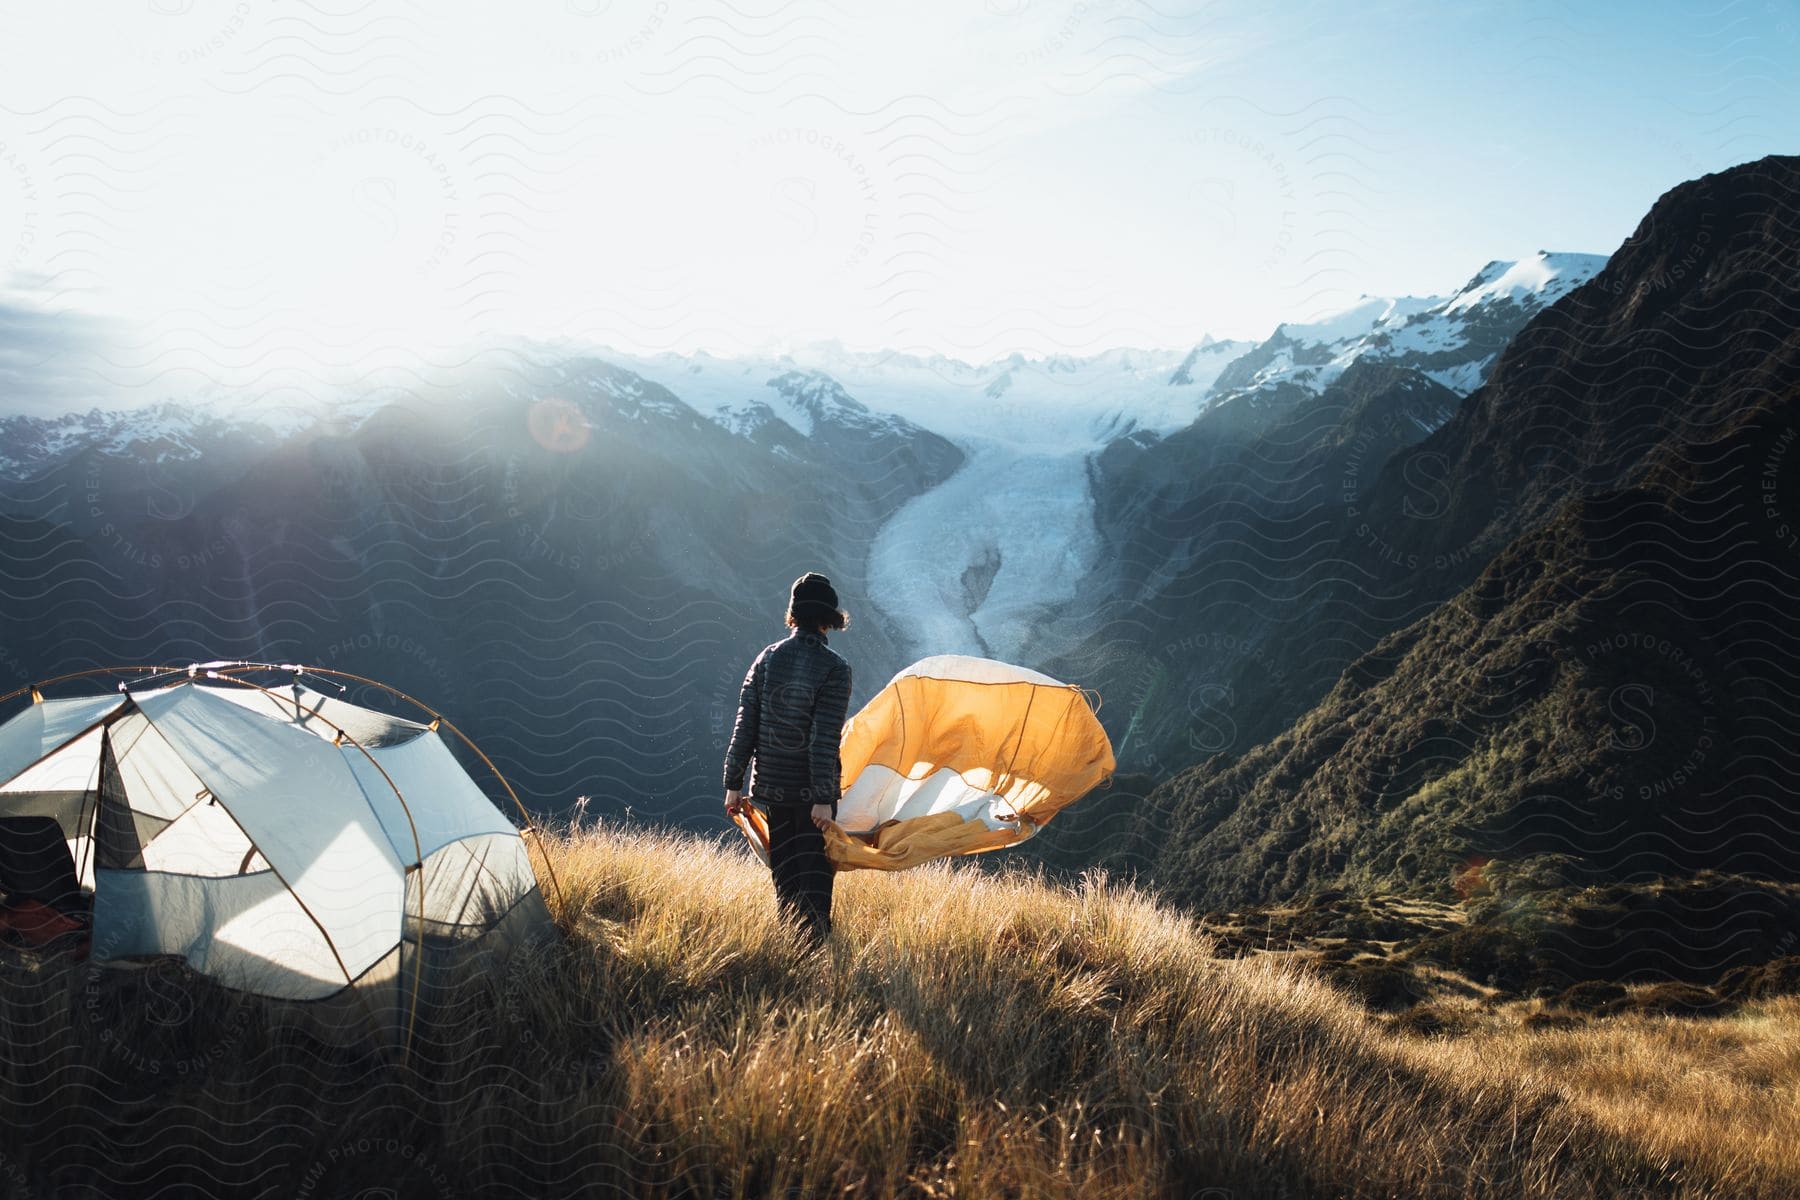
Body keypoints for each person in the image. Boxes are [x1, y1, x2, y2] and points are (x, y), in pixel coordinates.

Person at [722, 572, 853, 947]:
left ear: (793, 614)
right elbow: (822, 738)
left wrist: (733, 783)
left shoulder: (766, 659)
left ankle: (790, 952)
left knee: (785, 878)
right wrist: (823, 797)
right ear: (829, 618)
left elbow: (745, 724)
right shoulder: (835, 668)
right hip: (811, 797)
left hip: (773, 789)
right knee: (815, 881)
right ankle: (815, 958)